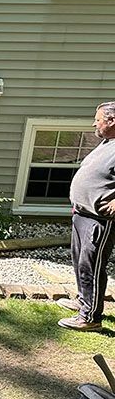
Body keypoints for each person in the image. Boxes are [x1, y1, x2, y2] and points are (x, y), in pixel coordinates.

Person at [58, 102, 115, 331]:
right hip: (83, 214)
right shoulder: (107, 143)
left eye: (98, 119)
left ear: (112, 121)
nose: (94, 123)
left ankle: (90, 318)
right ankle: (84, 302)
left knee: (91, 265)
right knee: (80, 263)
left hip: (100, 219)